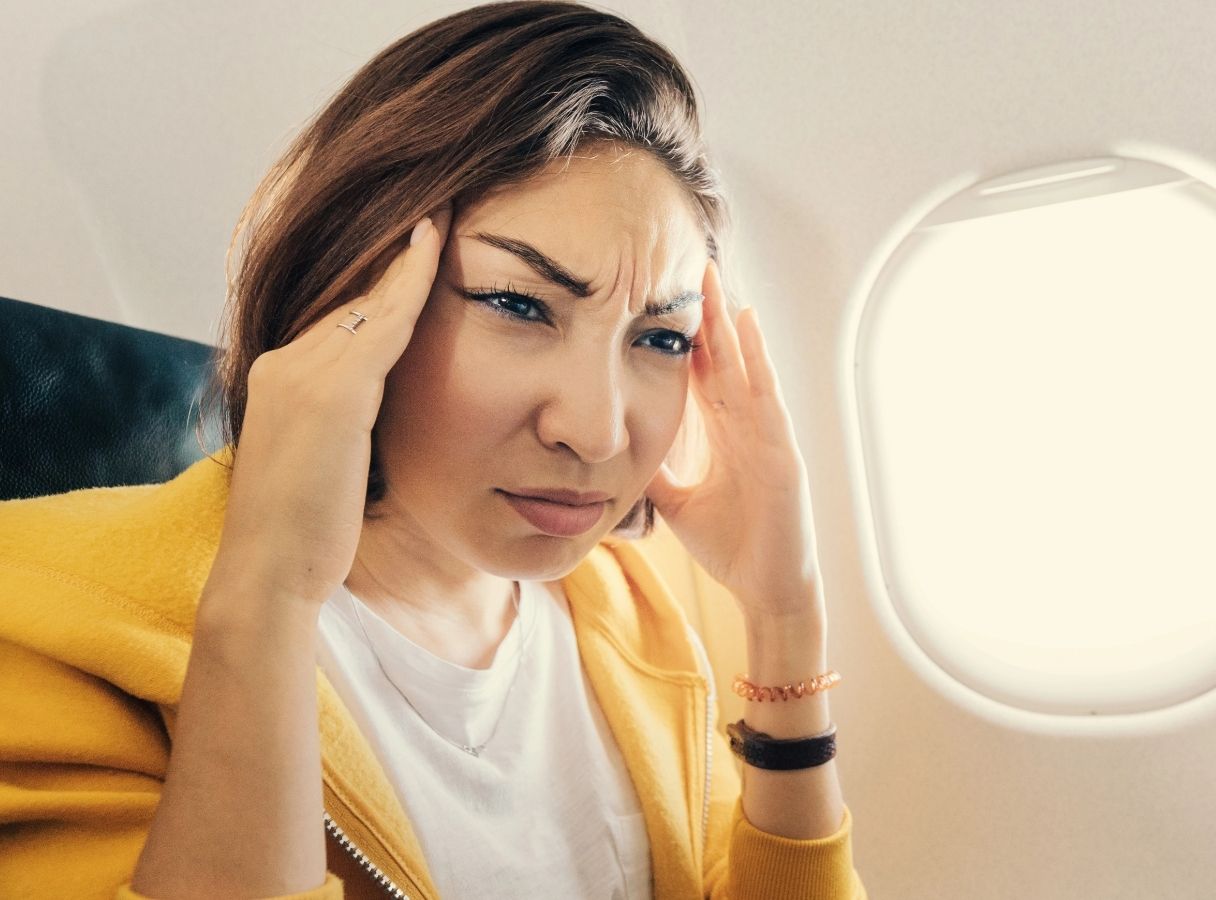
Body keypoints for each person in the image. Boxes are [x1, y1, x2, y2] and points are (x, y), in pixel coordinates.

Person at [0, 2, 866, 898]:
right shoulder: (43, 615)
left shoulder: (627, 605)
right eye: (519, 305)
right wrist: (266, 597)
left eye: (660, 337)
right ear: (352, 292)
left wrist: (786, 621)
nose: (599, 431)